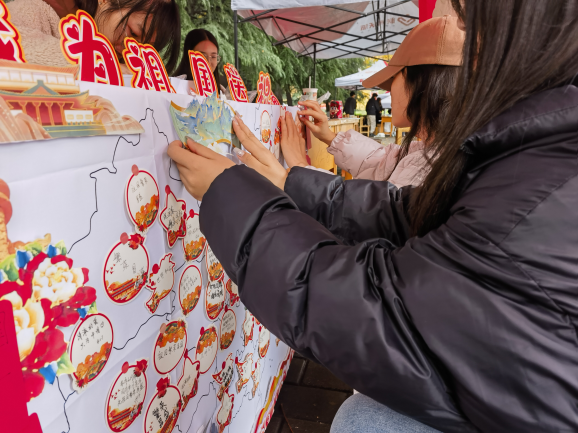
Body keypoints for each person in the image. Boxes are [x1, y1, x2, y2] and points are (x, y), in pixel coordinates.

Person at [168, 0, 578, 431]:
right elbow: (402, 207)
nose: (467, 42)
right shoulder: (533, 154)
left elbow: (382, 313)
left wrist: (234, 195)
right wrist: (291, 180)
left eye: (470, 25)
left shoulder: (531, 171)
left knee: (362, 421)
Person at [283, 16, 463, 187]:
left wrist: (300, 170)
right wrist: (329, 136)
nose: (389, 90)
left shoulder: (428, 168)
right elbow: (381, 162)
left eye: (393, 78)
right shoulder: (438, 150)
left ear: (421, 84)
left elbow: (363, 205)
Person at [7, 0, 181, 72]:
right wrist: (110, 69)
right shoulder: (37, 10)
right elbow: (12, 46)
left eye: (142, 49)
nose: (130, 50)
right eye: (133, 33)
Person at [175, 29, 227, 95]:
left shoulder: (221, 93)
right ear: (188, 57)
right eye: (202, 56)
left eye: (213, 57)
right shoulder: (173, 88)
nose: (208, 62)